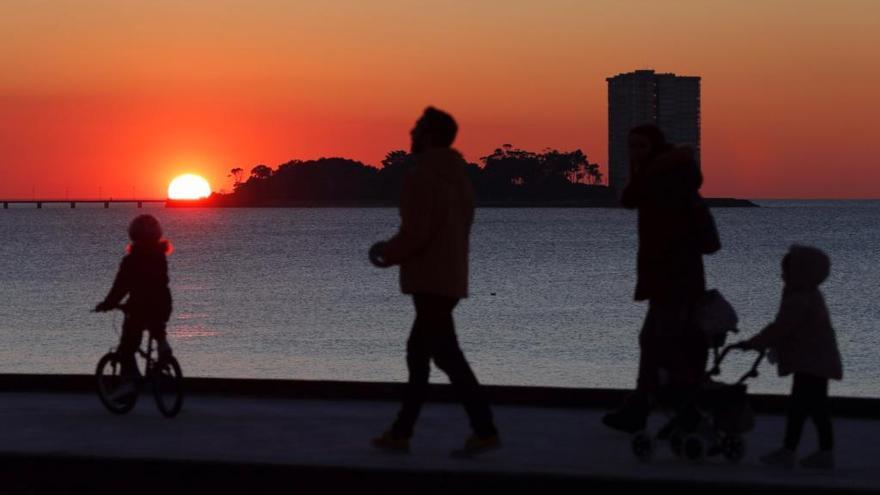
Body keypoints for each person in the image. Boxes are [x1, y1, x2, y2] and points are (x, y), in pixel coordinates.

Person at [369, 107, 500, 456]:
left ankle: (483, 428)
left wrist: (387, 252)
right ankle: (402, 431)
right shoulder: (460, 177)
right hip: (451, 277)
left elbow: (417, 233)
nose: (410, 135)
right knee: (423, 354)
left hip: (430, 281)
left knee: (445, 356)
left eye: (415, 129)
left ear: (427, 136)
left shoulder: (422, 177)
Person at [602, 124, 715, 433]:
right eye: (632, 146)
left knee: (665, 343)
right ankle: (647, 407)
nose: (635, 152)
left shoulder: (660, 179)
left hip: (674, 276)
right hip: (670, 275)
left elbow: (632, 200)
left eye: (641, 146)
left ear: (656, 147)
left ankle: (674, 409)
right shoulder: (660, 176)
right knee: (659, 341)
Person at [738, 245, 842, 469]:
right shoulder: (810, 295)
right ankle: (815, 451)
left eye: (786, 271)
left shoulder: (800, 299)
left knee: (803, 408)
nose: (782, 275)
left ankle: (794, 451)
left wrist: (754, 343)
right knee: (812, 408)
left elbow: (781, 328)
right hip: (815, 361)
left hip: (810, 363)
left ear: (799, 273)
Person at [94, 214, 174, 396]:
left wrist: (108, 304)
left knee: (128, 345)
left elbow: (121, 286)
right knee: (157, 324)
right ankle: (163, 344)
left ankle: (131, 380)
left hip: (139, 306)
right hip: (163, 303)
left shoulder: (131, 261)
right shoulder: (160, 257)